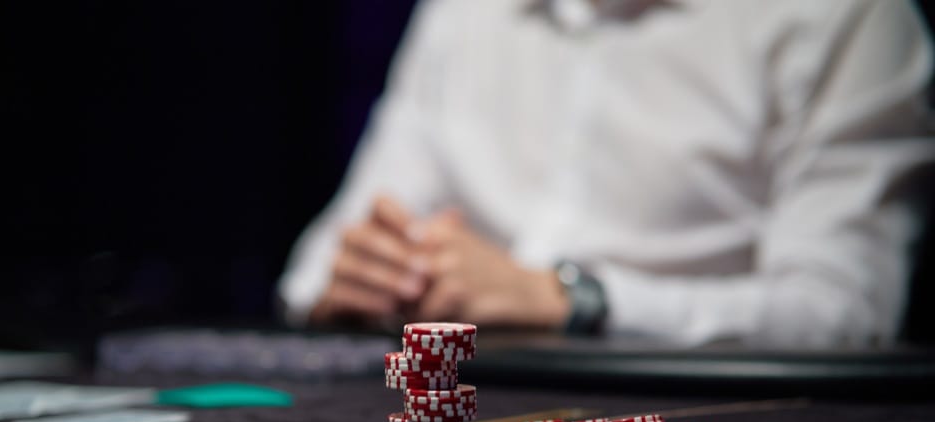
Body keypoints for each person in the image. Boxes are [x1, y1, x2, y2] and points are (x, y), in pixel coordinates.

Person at [278, 0, 934, 347]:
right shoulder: (459, 12)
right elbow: (311, 271)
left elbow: (845, 311)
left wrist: (570, 301)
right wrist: (364, 274)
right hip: (472, 395)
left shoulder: (848, 15)